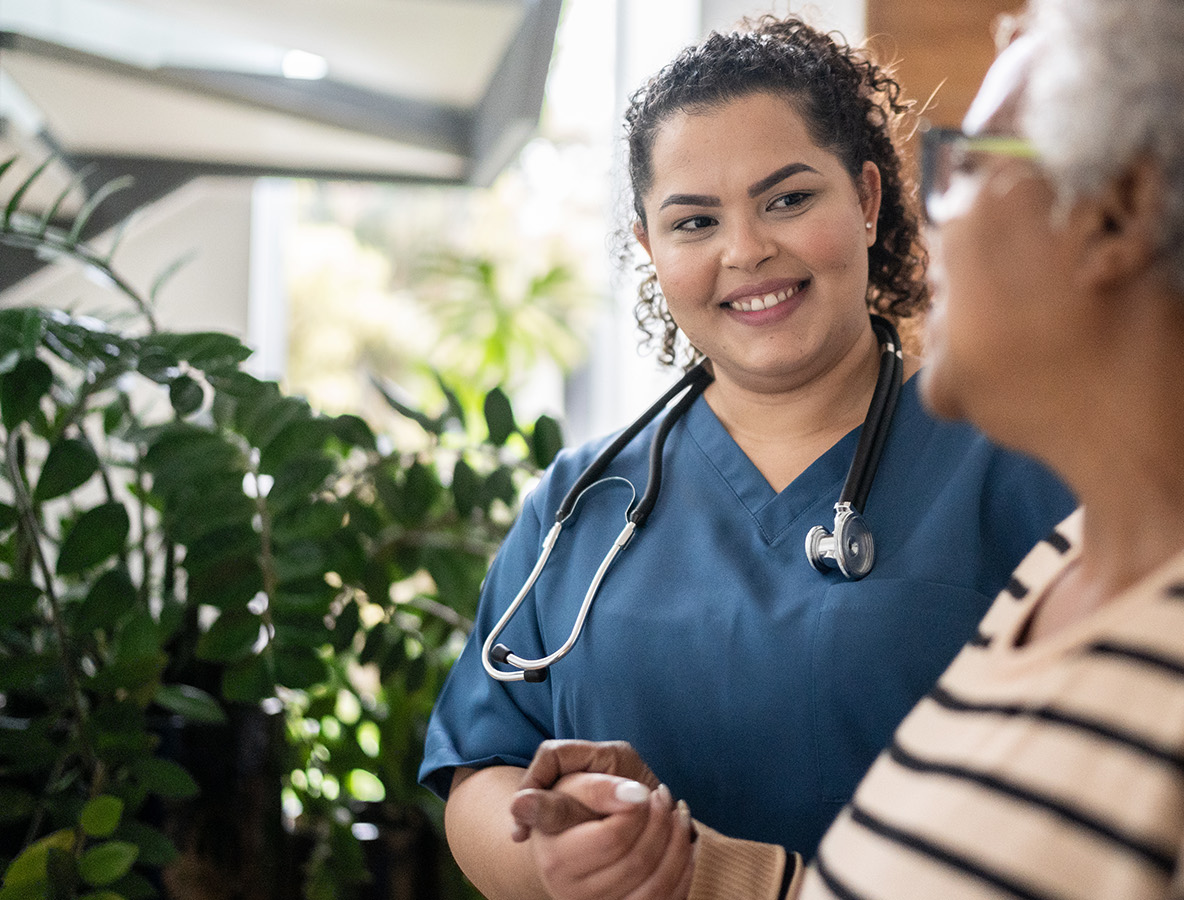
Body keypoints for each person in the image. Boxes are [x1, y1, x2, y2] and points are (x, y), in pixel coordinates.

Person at [516, 0, 1184, 897]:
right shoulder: (1066, 574)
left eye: (967, 165)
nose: (930, 226)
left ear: (1115, 215)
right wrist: (704, 868)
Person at [417, 15, 1076, 900]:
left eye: (789, 199)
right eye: (694, 221)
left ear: (869, 199)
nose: (746, 250)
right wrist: (556, 854)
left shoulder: (1021, 469)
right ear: (650, 250)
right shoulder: (580, 502)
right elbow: (482, 769)